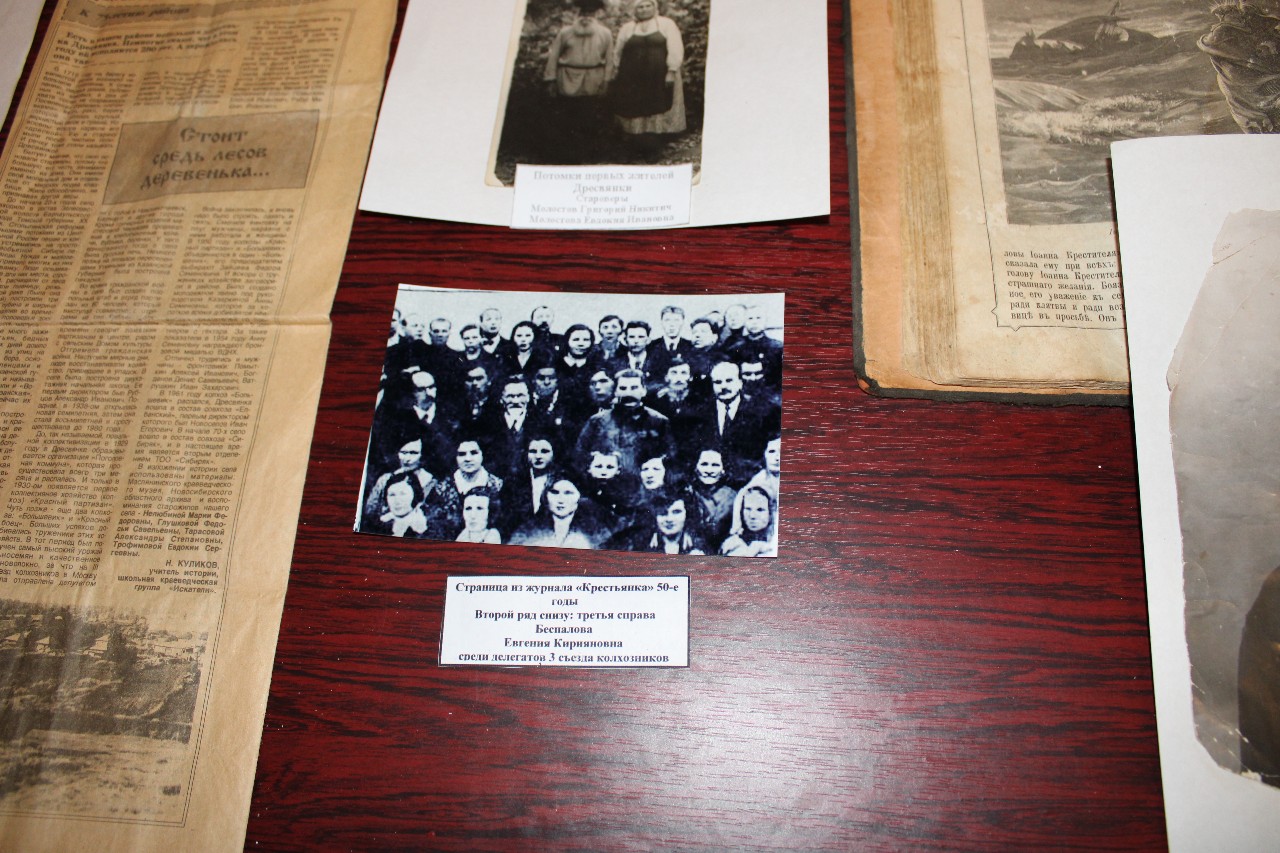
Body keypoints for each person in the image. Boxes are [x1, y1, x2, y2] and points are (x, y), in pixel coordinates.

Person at [610, 0, 686, 154]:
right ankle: (636, 148)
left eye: (647, 6)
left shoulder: (666, 24)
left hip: (658, 76)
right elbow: (618, 51)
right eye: (640, 7)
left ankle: (654, 149)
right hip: (632, 78)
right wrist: (615, 70)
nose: (644, 9)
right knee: (635, 110)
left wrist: (671, 71)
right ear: (635, 10)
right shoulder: (628, 28)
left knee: (657, 107)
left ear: (654, 7)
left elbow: (675, 48)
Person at [543, 0, 614, 161]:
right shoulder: (565, 33)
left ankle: (587, 155)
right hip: (568, 78)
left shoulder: (605, 33)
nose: (585, 17)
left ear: (595, 15)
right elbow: (553, 57)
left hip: (593, 79)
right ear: (577, 14)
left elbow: (610, 60)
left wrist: (606, 81)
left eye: (589, 14)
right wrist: (551, 80)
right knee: (567, 118)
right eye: (583, 13)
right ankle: (566, 156)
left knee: (589, 117)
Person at [508, 473, 612, 550]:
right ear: (546, 496)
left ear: (580, 497)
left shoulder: (598, 532)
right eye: (555, 492)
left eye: (568, 493)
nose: (560, 500)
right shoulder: (527, 531)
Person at [367, 472, 430, 538]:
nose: (397, 501)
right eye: (392, 495)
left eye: (403, 494)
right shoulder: (381, 523)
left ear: (415, 495)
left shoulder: (424, 526)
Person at [721, 485, 777, 557]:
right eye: (748, 509)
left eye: (760, 510)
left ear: (771, 512)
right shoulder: (731, 545)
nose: (752, 516)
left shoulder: (775, 545)